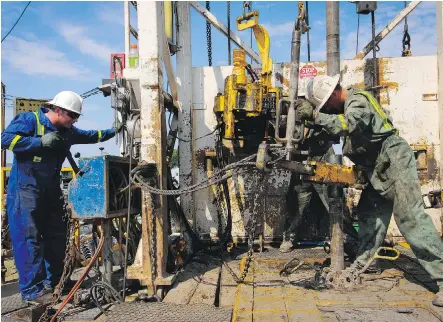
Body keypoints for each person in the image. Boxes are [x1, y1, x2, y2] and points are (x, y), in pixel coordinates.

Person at [294, 74, 443, 307]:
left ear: (334, 94)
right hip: (376, 168)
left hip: (393, 159)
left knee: (410, 219)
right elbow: (330, 130)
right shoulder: (343, 107)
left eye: (326, 106)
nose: (328, 110)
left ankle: (442, 278)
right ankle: (362, 264)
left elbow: (349, 124)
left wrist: (314, 114)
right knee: (369, 217)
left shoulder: (358, 101)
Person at [1, 91, 122, 304]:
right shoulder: (30, 120)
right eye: (72, 116)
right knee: (29, 239)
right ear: (58, 109)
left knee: (57, 237)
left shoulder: (68, 131)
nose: (74, 120)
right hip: (25, 189)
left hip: (51, 190)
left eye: (77, 117)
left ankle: (56, 281)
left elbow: (91, 135)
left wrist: (115, 131)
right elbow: (5, 139)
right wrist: (39, 143)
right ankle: (33, 291)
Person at [281, 130, 360, 261]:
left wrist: (338, 160)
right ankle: (289, 237)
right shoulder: (297, 113)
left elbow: (339, 137)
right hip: (303, 158)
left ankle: (351, 243)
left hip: (328, 155)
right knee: (298, 205)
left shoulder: (332, 115)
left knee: (335, 203)